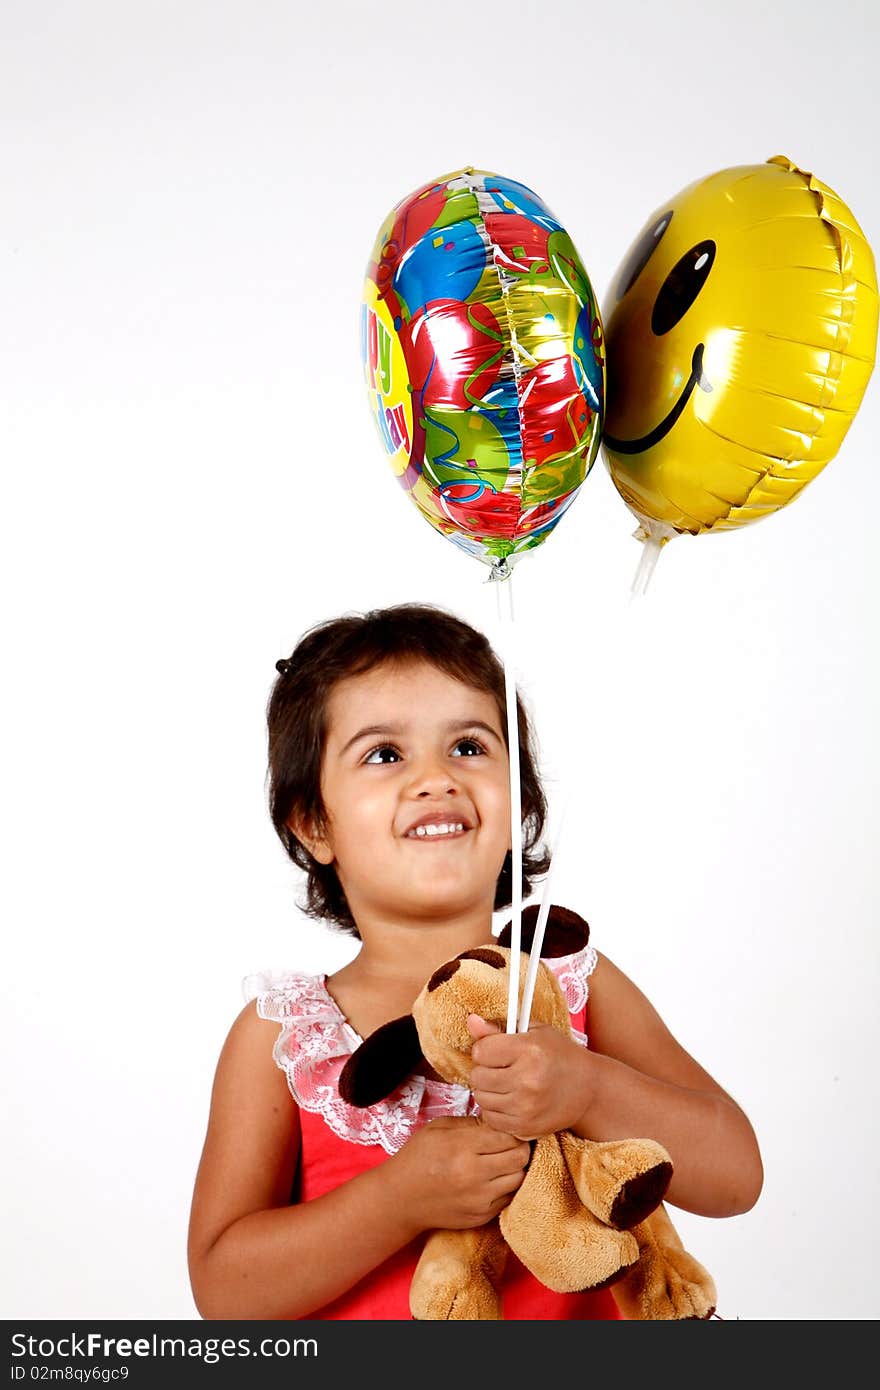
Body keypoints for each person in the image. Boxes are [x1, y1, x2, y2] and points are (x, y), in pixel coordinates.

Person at [187, 603, 762, 1320]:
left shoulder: (574, 983)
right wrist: (396, 1200)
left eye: (468, 746)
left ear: (517, 798)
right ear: (314, 823)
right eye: (384, 754)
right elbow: (224, 1293)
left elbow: (736, 1177)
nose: (436, 778)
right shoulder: (284, 1037)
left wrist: (589, 1088)